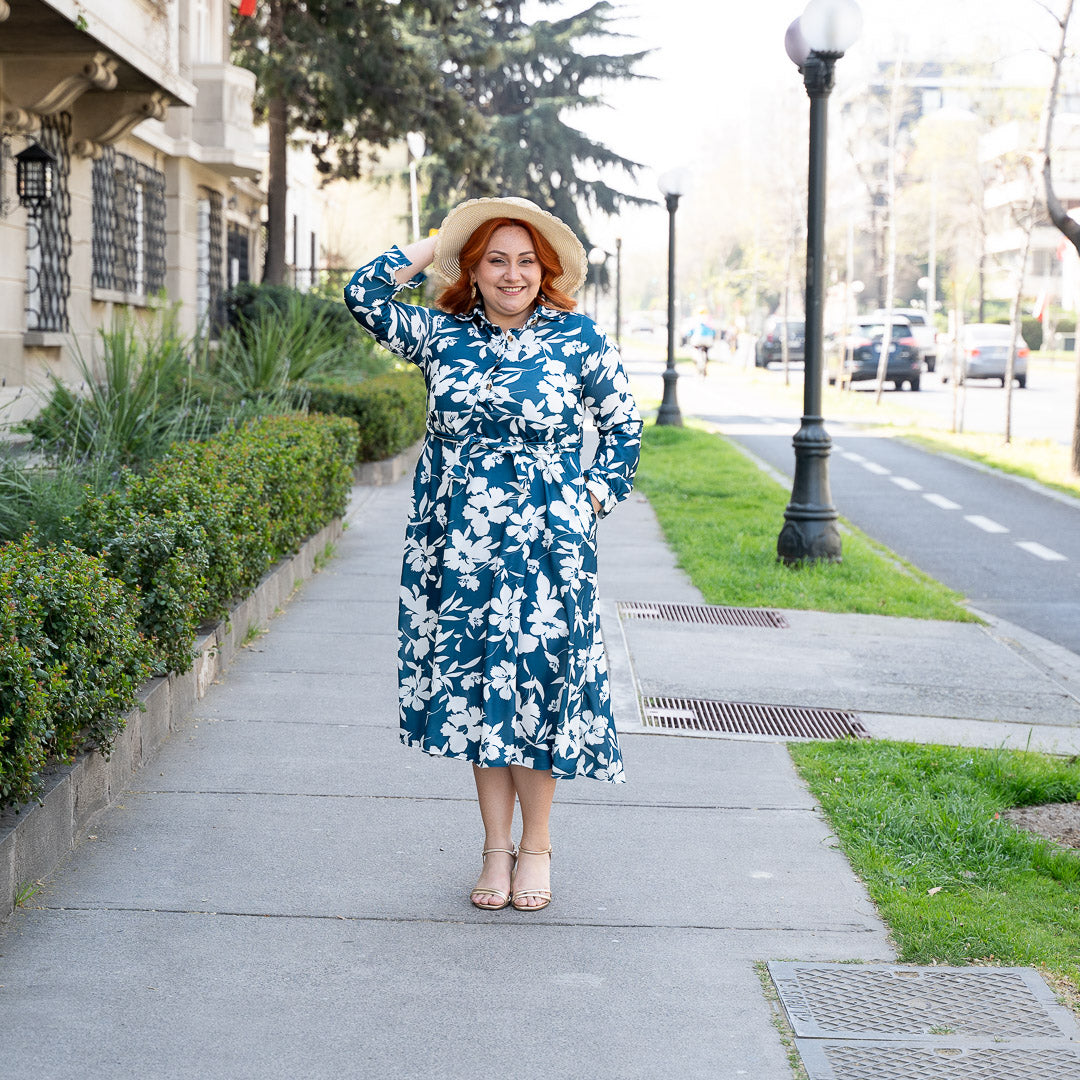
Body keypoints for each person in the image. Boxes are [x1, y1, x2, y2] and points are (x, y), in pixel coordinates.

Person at [344, 197, 641, 913]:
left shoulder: (577, 339)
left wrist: (591, 499)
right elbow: (362, 293)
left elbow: (624, 427)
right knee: (482, 690)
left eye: (526, 262)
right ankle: (494, 850)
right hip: (459, 544)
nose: (513, 274)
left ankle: (536, 847)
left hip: (548, 542)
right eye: (495, 260)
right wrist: (439, 241)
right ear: (472, 272)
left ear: (546, 273)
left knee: (538, 685)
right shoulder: (440, 335)